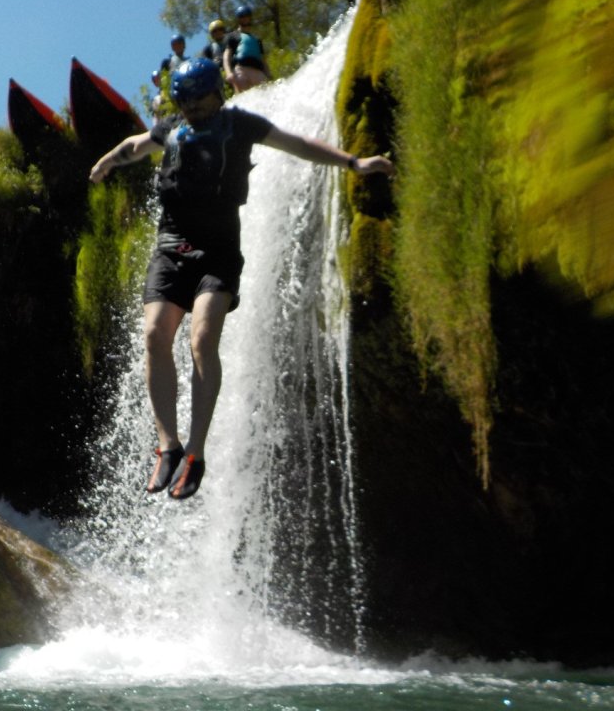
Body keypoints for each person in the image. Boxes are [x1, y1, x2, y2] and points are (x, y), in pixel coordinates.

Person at [89, 58, 393, 500]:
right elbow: (134, 145)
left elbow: (299, 144)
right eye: (185, 102)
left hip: (217, 252)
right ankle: (167, 446)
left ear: (218, 92)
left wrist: (354, 162)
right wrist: (106, 163)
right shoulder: (170, 129)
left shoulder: (241, 124)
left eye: (200, 99)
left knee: (201, 339)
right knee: (155, 335)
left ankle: (195, 452)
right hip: (172, 246)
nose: (192, 108)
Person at [223, 6, 271, 94]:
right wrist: (228, 72)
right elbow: (226, 55)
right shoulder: (233, 36)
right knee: (243, 99)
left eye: (247, 16)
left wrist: (269, 74)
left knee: (268, 95)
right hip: (241, 70)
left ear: (250, 17)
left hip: (258, 71)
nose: (245, 18)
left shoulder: (257, 40)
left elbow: (263, 60)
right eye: (242, 16)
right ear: (238, 19)